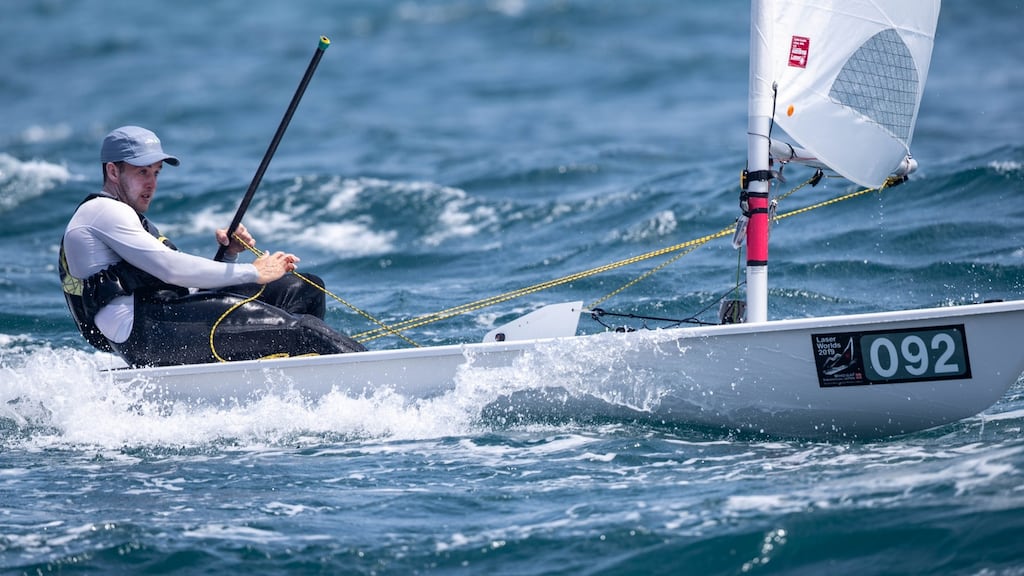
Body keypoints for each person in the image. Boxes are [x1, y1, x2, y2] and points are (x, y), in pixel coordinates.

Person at [59, 125, 366, 366]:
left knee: (303, 288)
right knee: (304, 331)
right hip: (146, 334)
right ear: (113, 171)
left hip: (165, 318)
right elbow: (171, 269)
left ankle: (286, 374)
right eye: (142, 172)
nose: (151, 183)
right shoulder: (102, 211)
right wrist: (253, 272)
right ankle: (372, 374)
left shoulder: (129, 219)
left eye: (156, 173)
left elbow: (185, 288)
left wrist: (228, 255)